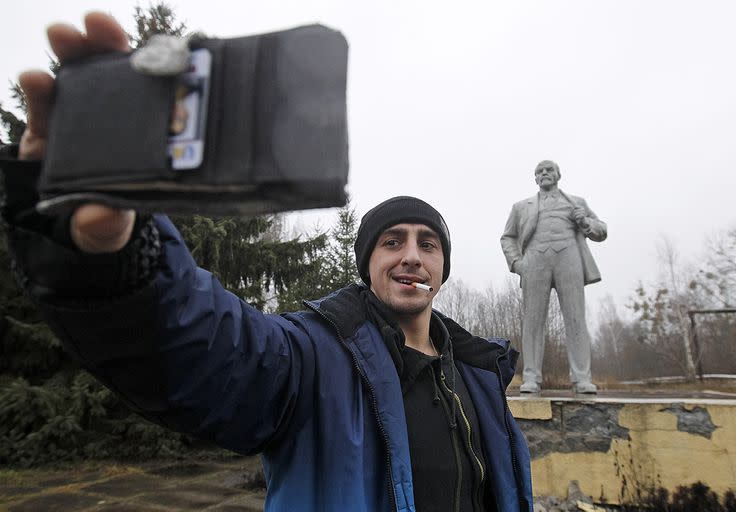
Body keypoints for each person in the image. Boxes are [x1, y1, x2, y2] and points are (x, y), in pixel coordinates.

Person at [0, 12, 532, 512]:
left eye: (428, 244)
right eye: (392, 242)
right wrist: (118, 266)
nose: (412, 257)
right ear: (366, 264)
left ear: (443, 268)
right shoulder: (309, 356)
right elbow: (205, 353)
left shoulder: (481, 373)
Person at [500, 160, 607, 395]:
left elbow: (601, 231)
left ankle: (581, 378)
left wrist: (585, 221)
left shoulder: (576, 203)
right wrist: (518, 263)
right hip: (534, 261)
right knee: (533, 321)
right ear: (535, 178)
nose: (544, 173)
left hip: (569, 258)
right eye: (540, 171)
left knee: (576, 317)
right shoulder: (521, 207)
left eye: (549, 170)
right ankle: (531, 378)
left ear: (558, 175)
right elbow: (507, 237)